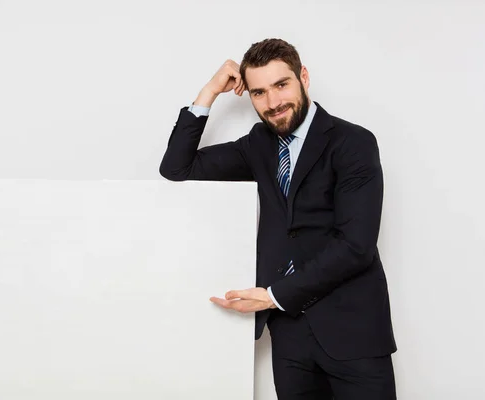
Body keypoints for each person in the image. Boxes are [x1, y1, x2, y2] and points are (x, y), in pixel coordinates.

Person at [159, 38, 397, 399]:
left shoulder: (353, 143)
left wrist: (272, 297)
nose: (273, 103)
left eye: (281, 85)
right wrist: (208, 92)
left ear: (303, 76)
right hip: (290, 336)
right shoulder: (259, 143)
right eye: (258, 93)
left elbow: (356, 247)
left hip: (354, 332)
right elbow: (177, 168)